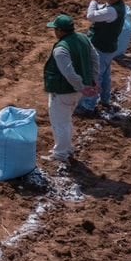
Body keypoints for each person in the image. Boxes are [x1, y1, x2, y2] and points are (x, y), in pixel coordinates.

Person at [43, 14, 99, 162]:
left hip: (64, 91)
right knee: (66, 119)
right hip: (77, 91)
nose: (54, 32)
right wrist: (94, 80)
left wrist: (81, 86)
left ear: (61, 31)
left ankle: (60, 154)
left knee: (59, 122)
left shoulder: (61, 49)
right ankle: (67, 148)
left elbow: (69, 73)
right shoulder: (83, 38)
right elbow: (95, 58)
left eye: (55, 29)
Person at [79, 0, 126, 116]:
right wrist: (96, 1)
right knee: (105, 76)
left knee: (94, 77)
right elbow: (100, 9)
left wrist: (93, 0)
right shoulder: (116, 7)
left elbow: (91, 16)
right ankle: (105, 100)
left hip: (102, 48)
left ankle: (88, 106)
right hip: (108, 47)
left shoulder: (112, 11)